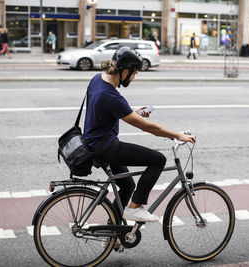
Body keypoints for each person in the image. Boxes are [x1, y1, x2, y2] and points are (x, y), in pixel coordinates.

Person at [84, 47, 196, 222]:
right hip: (105, 148)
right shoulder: (111, 96)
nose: (134, 78)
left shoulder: (97, 80)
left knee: (127, 185)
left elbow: (105, 111)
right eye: (134, 74)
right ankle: (134, 208)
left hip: (94, 142)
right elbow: (148, 128)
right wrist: (177, 135)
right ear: (125, 71)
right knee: (158, 160)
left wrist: (132, 111)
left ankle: (113, 231)